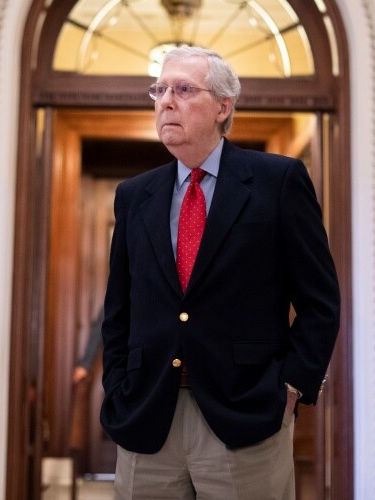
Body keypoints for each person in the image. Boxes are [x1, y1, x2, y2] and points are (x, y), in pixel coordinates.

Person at [99, 46, 340, 499]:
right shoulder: (134, 195)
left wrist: (290, 388)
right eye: (160, 89)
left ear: (223, 106)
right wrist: (117, 386)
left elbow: (320, 301)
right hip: (148, 414)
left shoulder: (278, 181)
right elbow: (119, 309)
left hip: (246, 416)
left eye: (183, 89)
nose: (166, 100)